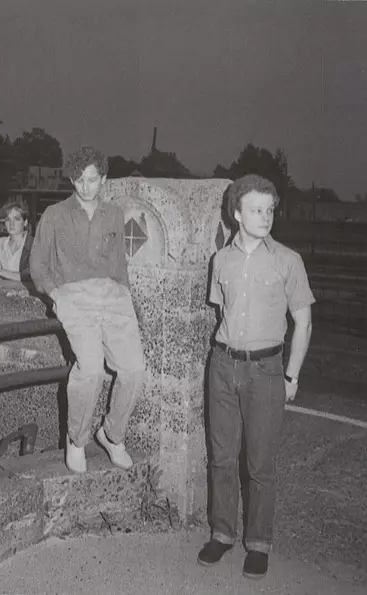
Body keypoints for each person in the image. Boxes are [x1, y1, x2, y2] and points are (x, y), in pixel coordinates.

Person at [198, 174, 314, 580]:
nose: (265, 217)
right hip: (223, 365)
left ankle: (259, 543)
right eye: (256, 209)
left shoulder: (288, 260)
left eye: (269, 210)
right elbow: (222, 313)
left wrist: (291, 376)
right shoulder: (221, 260)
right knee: (221, 456)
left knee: (260, 462)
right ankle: (221, 534)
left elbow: (303, 322)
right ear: (237, 213)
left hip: (266, 370)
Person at [29, 146, 145, 474]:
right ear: (71, 179)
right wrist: (56, 294)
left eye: (92, 180)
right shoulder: (54, 214)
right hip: (74, 296)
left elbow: (119, 262)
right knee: (90, 370)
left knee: (134, 369)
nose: (85, 186)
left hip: (113, 295)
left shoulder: (114, 214)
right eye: (79, 180)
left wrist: (124, 293)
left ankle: (112, 435)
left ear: (103, 179)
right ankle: (77, 439)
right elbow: (37, 262)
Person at [0, 199, 33, 283]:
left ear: (25, 222)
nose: (11, 224)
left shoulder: (33, 245)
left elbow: (29, 276)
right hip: (2, 289)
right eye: (8, 220)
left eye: (16, 219)